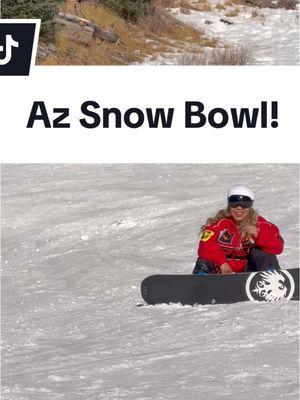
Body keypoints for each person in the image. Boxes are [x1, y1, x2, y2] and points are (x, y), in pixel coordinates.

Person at [193, 184, 284, 275]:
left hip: (249, 273)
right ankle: (201, 281)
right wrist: (222, 263)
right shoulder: (217, 225)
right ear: (229, 204)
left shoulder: (261, 225)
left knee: (263, 252)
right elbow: (204, 247)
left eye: (245, 203)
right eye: (234, 202)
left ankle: (271, 276)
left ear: (250, 205)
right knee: (204, 259)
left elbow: (278, 247)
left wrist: (259, 236)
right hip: (222, 273)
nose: (239, 207)